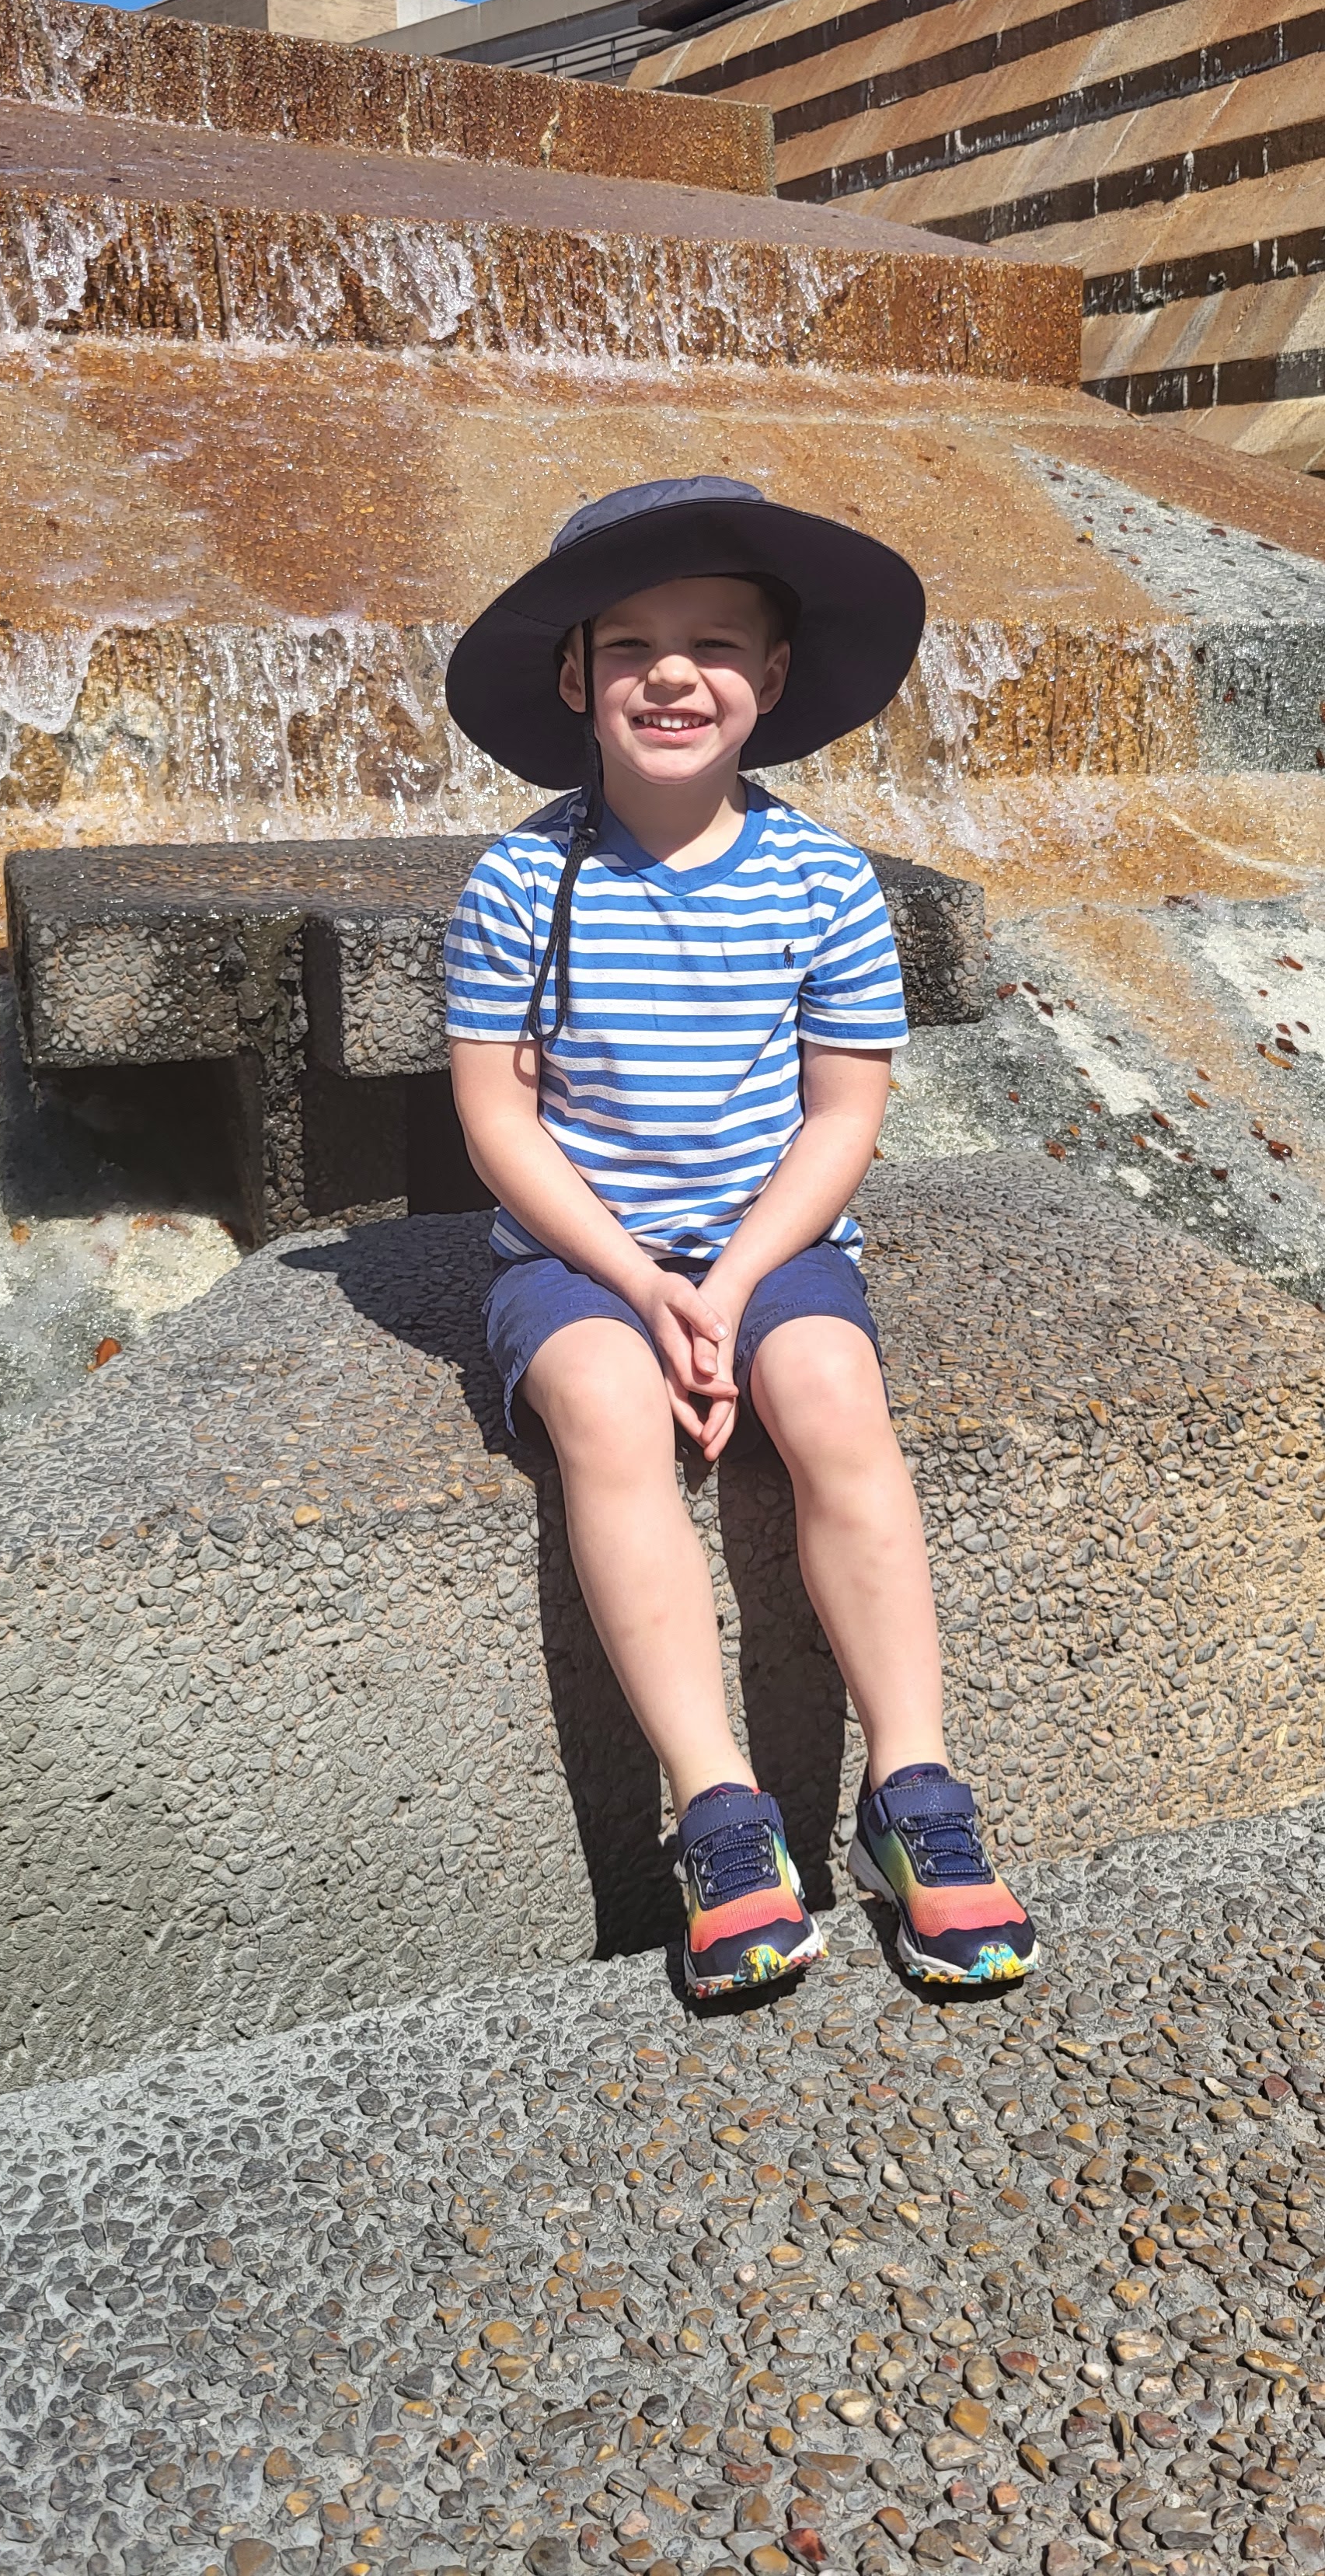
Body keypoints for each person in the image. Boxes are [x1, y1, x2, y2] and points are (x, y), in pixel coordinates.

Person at [443, 476, 1036, 1998]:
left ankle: (914, 1790)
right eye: (630, 643)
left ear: (771, 677)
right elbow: (500, 1124)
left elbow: (843, 1117)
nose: (672, 674)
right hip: (578, 1257)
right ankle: (720, 1807)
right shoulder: (519, 879)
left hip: (771, 1244)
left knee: (833, 1395)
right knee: (605, 1408)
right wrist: (642, 1285)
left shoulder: (823, 881)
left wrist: (735, 1281)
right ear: (572, 675)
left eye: (713, 642)